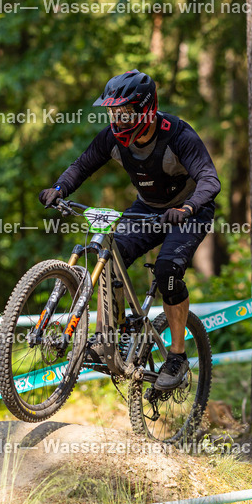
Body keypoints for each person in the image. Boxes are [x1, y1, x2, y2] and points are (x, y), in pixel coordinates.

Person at [38, 69, 221, 391]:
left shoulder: (178, 135)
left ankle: (177, 356)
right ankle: (112, 338)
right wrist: (59, 188)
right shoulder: (111, 138)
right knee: (110, 256)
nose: (118, 120)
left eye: (124, 113)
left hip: (189, 211)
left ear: (146, 110)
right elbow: (82, 165)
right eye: (113, 113)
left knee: (167, 271)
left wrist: (187, 208)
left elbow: (210, 179)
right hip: (146, 208)